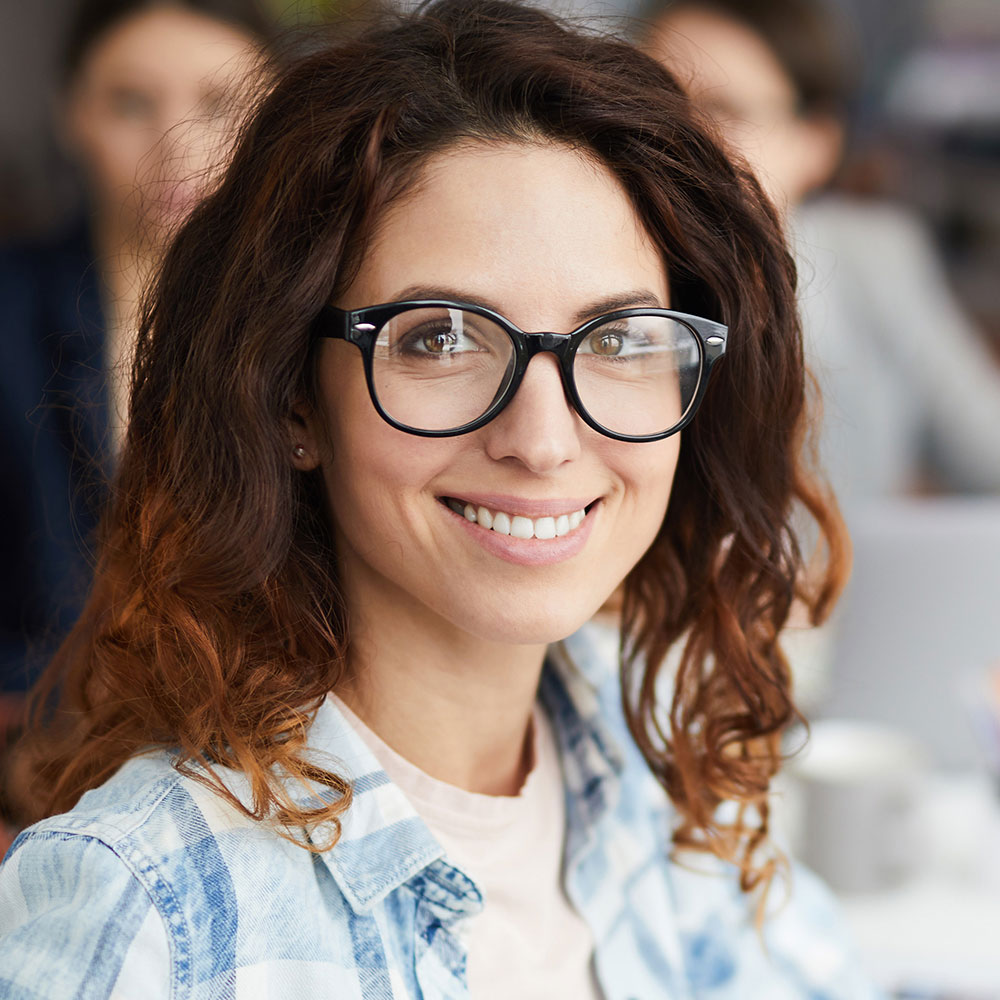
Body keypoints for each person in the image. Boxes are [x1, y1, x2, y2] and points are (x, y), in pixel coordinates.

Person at [0, 1, 876, 996]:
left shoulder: (659, 785)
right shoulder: (149, 909)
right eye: (441, 338)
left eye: (622, 338)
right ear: (291, 395)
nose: (544, 442)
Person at [0, 0, 273, 706]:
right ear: (72, 115)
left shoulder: (312, 319)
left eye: (219, 103)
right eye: (131, 104)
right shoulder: (10, 311)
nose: (176, 147)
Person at [640, 0, 1000, 508]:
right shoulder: (598, 279)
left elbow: (988, 456)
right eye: (654, 104)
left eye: (724, 111)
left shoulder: (873, 259)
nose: (679, 138)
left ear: (818, 142)